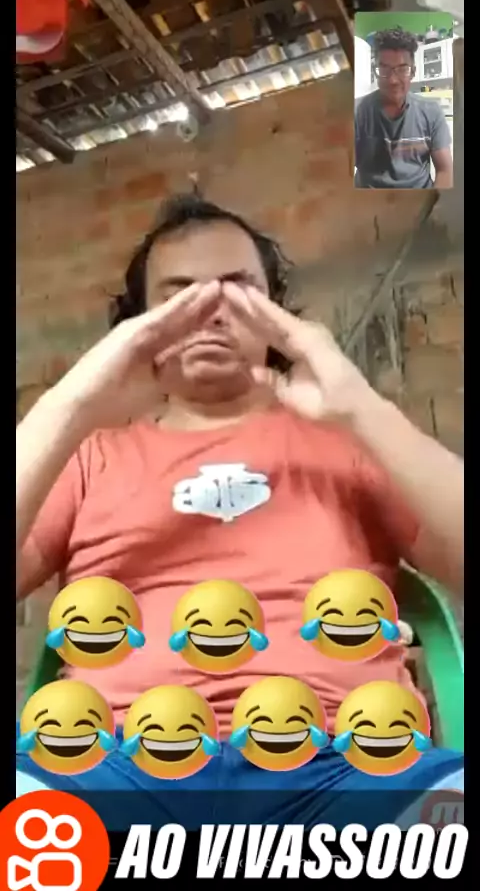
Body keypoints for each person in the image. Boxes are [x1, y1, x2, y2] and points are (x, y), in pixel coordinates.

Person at [17, 195, 464, 830]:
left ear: (275, 315)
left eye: (237, 291)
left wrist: (362, 407)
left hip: (348, 766)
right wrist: (73, 405)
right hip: (106, 766)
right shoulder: (91, 457)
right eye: (179, 298)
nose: (210, 313)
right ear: (139, 326)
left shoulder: (353, 442)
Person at [355, 28, 453, 189]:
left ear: (412, 72)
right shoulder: (357, 112)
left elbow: (445, 170)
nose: (393, 80)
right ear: (375, 72)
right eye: (384, 70)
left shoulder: (431, 112)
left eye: (402, 69)